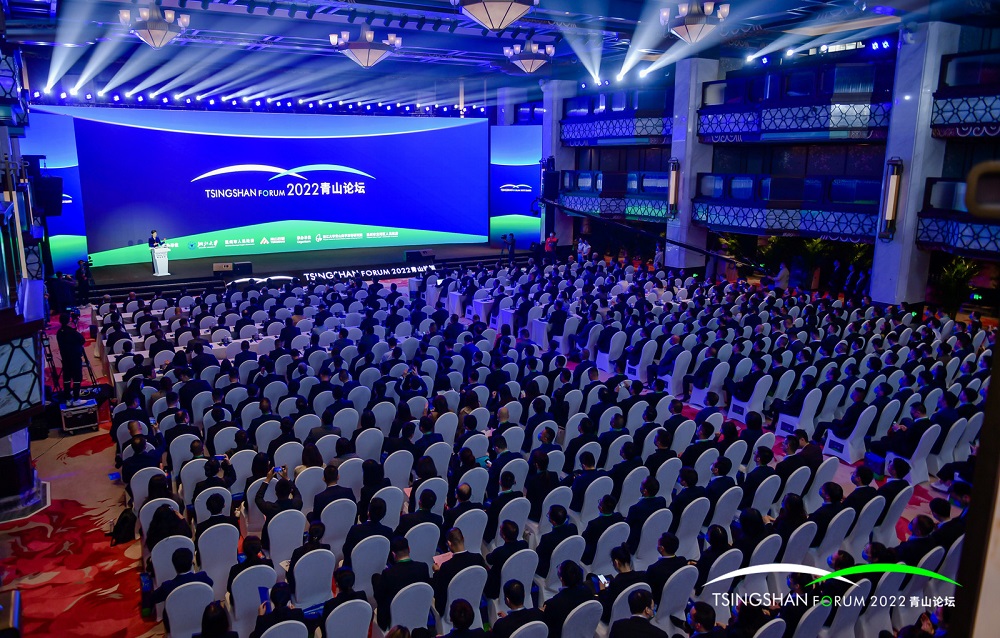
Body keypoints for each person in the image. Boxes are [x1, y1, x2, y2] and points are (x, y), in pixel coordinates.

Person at [373, 537, 432, 630]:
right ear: (409, 549)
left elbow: (380, 597)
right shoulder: (423, 568)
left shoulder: (388, 574)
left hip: (396, 617)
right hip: (419, 611)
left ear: (393, 554)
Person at [433, 528, 487, 615]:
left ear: (449, 543)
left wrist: (437, 573)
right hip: (474, 602)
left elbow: (440, 594)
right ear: (463, 538)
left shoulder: (446, 567)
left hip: (453, 611)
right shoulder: (478, 559)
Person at [56, 312, 87, 405]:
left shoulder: (59, 332)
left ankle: (68, 399)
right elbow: (82, 340)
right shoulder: (72, 332)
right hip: (75, 359)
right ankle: (76, 399)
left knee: (67, 379)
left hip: (65, 359)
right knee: (77, 378)